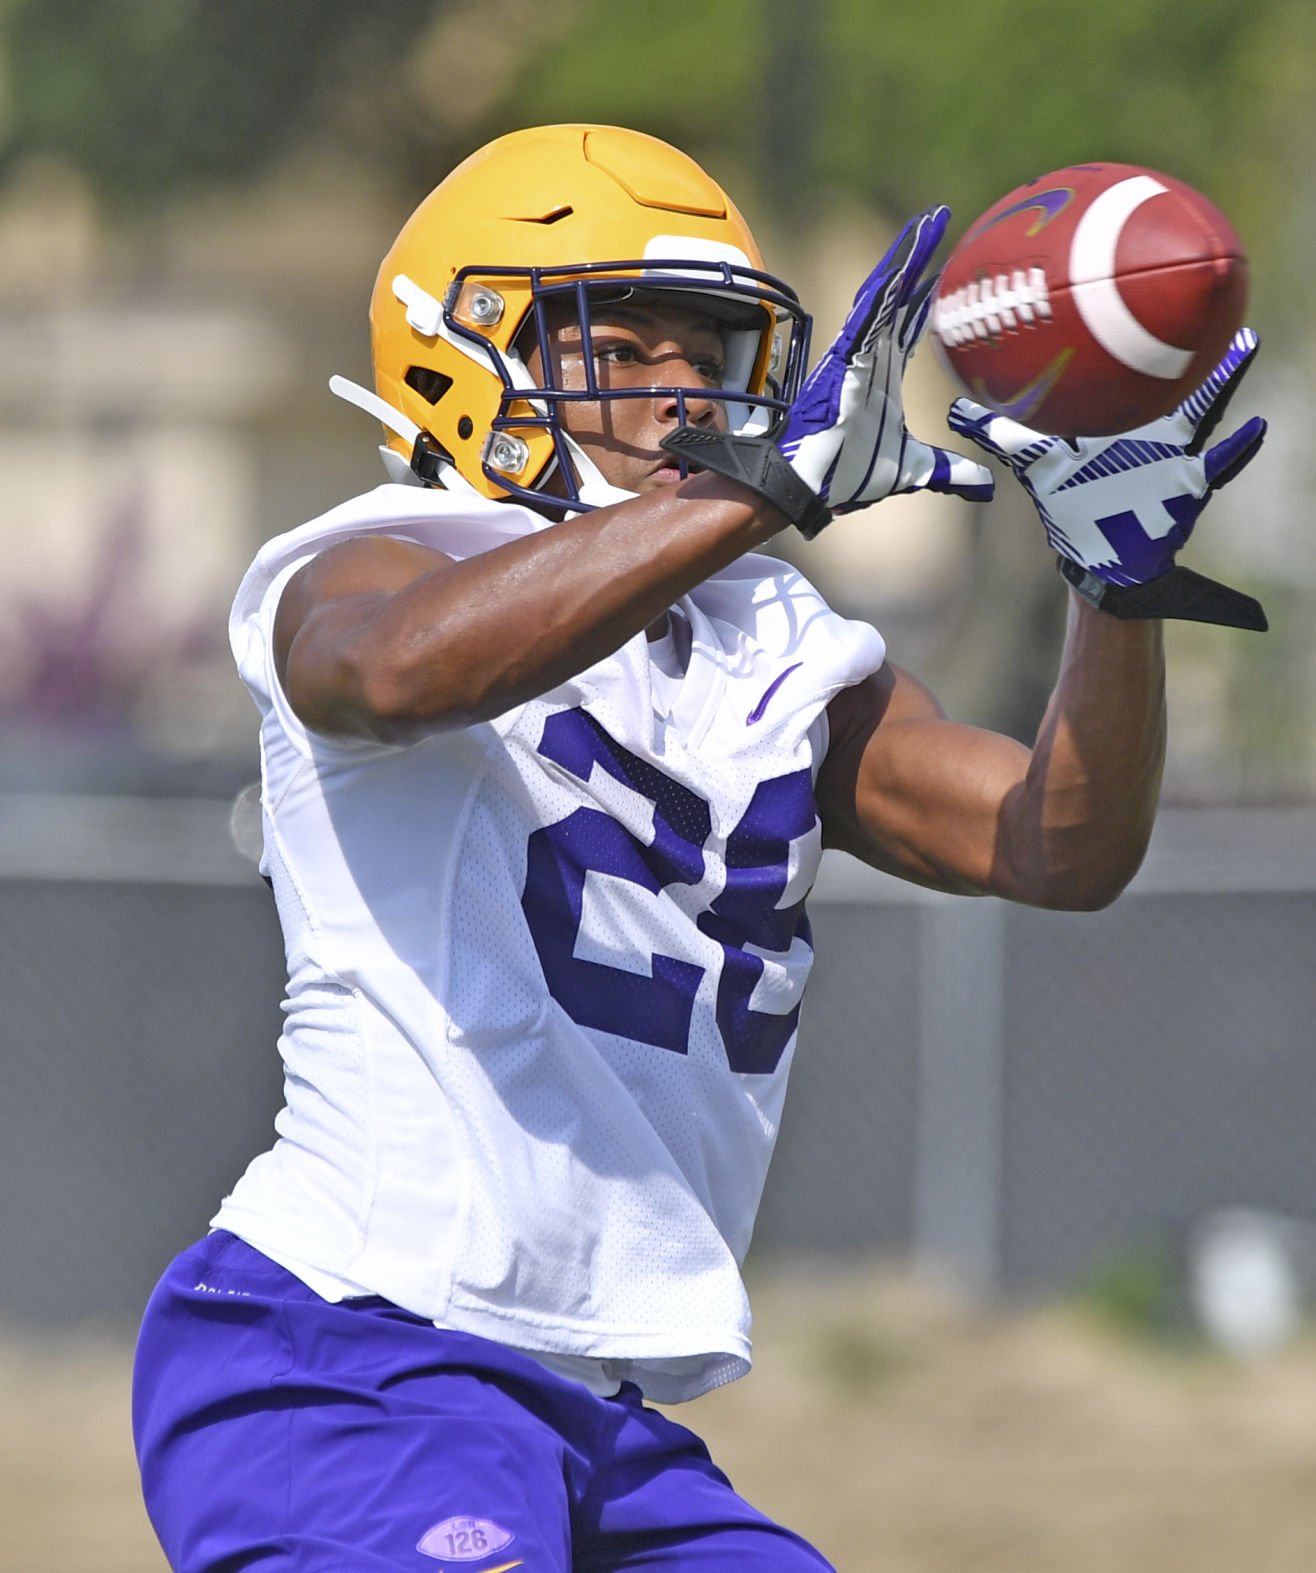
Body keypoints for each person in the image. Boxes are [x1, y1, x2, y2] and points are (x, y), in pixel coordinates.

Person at [132, 124, 1267, 1572]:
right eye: (628, 339)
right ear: (465, 351)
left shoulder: (772, 637)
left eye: (712, 351)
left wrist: (1119, 592)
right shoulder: (381, 551)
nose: (681, 388)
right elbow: (402, 669)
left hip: (597, 1408)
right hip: (354, 1351)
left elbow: (1055, 842)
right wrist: (751, 495)